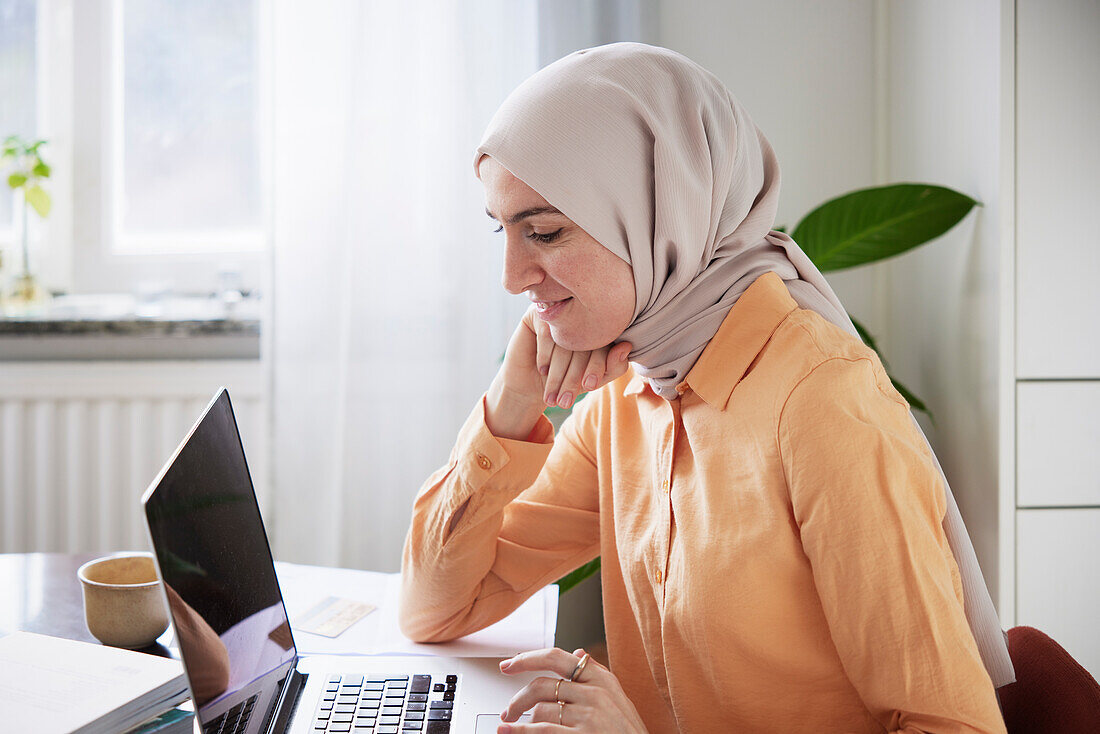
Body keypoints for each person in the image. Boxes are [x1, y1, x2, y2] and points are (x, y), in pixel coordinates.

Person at [399, 42, 1010, 733]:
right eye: (502, 231)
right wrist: (510, 410)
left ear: (660, 216)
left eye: (543, 232)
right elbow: (436, 608)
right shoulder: (626, 393)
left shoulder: (821, 405)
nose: (512, 275)